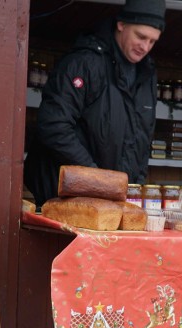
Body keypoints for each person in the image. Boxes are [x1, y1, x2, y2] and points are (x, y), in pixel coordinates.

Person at [25, 0, 165, 206]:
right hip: (63, 198)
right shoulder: (85, 63)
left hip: (113, 200)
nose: (145, 47)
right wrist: (96, 178)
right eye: (141, 36)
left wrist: (134, 187)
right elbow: (54, 125)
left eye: (153, 41)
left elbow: (142, 139)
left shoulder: (147, 74)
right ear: (121, 24)